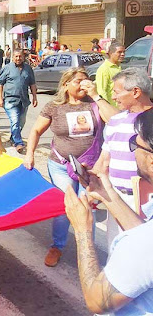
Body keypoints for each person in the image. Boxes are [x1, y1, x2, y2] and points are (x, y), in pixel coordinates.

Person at [23, 67, 118, 267]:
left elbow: (116, 122)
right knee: (64, 208)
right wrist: (30, 154)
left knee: (88, 209)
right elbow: (36, 130)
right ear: (65, 85)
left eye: (86, 80)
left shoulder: (94, 103)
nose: (83, 84)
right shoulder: (54, 106)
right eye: (78, 81)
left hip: (89, 169)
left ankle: (87, 251)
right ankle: (57, 246)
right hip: (60, 165)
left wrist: (96, 94)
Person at [64, 108, 153, 315]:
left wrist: (82, 230)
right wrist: (107, 195)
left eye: (134, 144)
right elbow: (143, 236)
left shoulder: (144, 244)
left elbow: (97, 300)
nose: (133, 151)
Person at [92, 67, 153, 246]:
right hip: (118, 198)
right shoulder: (115, 121)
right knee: (117, 248)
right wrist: (93, 186)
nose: (114, 97)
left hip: (146, 201)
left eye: (117, 92)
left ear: (135, 92)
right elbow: (104, 160)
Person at [0, 50, 38, 153]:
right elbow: (0, 84)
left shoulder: (28, 69)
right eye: (16, 56)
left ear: (23, 57)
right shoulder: (7, 68)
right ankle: (18, 143)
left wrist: (34, 97)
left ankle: (13, 138)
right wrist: (0, 98)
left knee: (21, 122)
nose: (18, 58)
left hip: (24, 100)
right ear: (12, 57)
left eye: (20, 56)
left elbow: (32, 84)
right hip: (10, 99)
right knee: (15, 121)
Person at [95, 42, 125, 107]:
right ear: (111, 53)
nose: (122, 54)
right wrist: (107, 108)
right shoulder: (104, 69)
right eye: (119, 52)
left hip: (120, 107)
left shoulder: (119, 67)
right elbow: (102, 92)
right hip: (111, 108)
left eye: (123, 52)